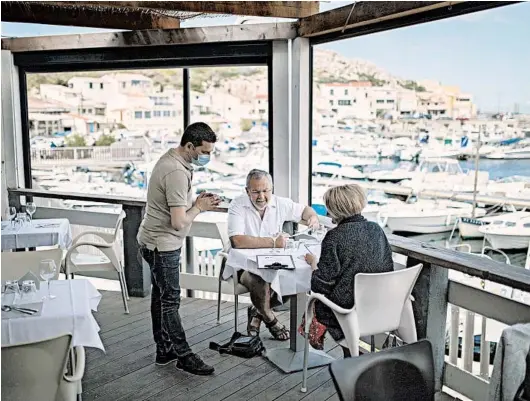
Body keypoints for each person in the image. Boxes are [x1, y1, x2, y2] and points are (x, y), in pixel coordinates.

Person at [137, 122, 221, 375]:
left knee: (161, 298)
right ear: (189, 145)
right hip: (162, 245)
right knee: (170, 301)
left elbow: (175, 205)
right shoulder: (175, 171)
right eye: (204, 152)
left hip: (152, 242)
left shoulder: (174, 162)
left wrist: (194, 201)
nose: (207, 157)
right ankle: (184, 355)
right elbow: (178, 222)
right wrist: (199, 208)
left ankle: (164, 350)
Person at [228, 169, 320, 341]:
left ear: (271, 189)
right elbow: (237, 241)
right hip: (244, 266)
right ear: (247, 190)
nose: (261, 196)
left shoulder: (281, 203)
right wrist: (273, 242)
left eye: (265, 191)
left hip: (274, 263)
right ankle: (271, 320)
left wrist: (313, 217)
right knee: (260, 278)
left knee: (292, 278)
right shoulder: (237, 205)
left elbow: (305, 211)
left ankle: (257, 312)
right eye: (255, 191)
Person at [303, 184, 394, 356]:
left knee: (318, 302)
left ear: (335, 210)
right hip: (380, 303)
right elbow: (387, 266)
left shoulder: (334, 237)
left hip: (348, 309)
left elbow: (321, 284)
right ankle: (353, 354)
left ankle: (350, 354)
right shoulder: (377, 229)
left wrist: (313, 263)